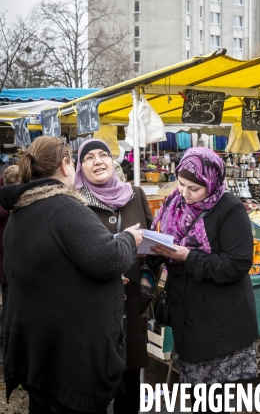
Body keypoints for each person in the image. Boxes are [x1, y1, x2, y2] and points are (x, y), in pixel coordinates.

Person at [0, 136, 144, 414]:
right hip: (69, 356)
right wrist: (128, 238)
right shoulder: (63, 207)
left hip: (42, 348)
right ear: (67, 165)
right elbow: (107, 258)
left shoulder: (23, 208)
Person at [151, 147, 259, 413]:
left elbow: (237, 264)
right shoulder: (173, 204)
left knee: (217, 399)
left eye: (194, 188)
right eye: (181, 183)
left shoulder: (230, 209)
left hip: (221, 319)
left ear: (211, 183)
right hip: (187, 316)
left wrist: (188, 257)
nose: (185, 192)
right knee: (196, 393)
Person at [74, 139, 157, 414]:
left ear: (113, 160)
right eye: (89, 157)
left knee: (130, 379)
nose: (98, 161)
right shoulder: (73, 203)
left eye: (103, 155)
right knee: (92, 384)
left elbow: (152, 241)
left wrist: (147, 276)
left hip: (131, 304)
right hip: (92, 307)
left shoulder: (135, 193)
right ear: (80, 166)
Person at [0, 165, 20, 363]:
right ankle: (7, 355)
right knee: (8, 311)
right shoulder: (7, 206)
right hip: (7, 266)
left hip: (7, 264)